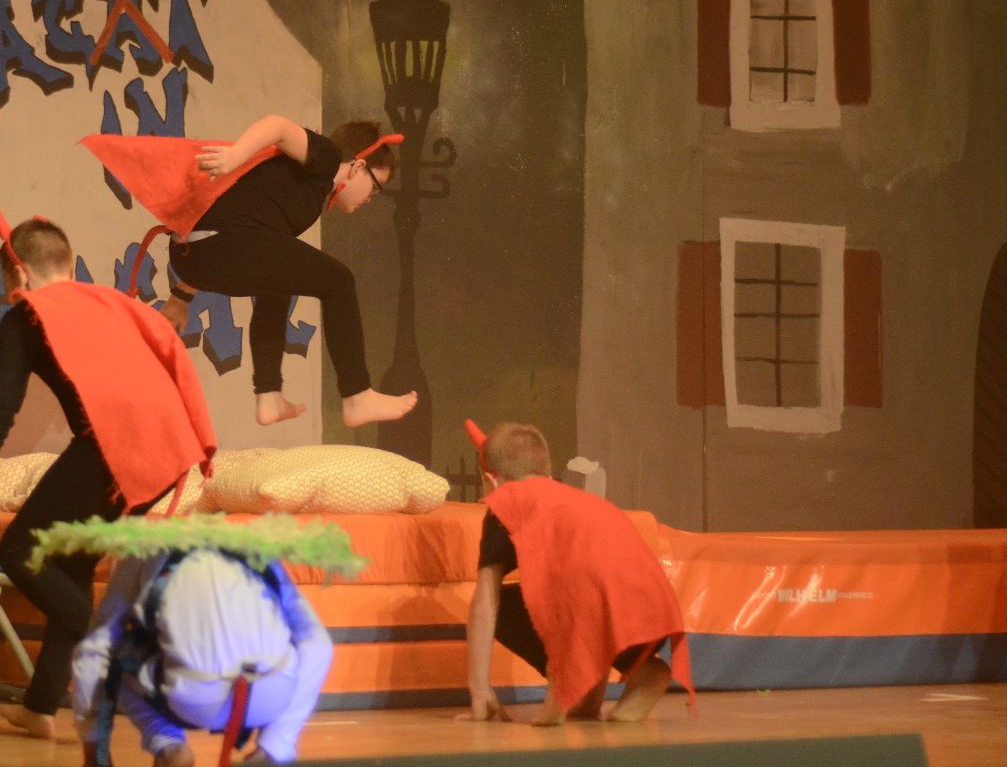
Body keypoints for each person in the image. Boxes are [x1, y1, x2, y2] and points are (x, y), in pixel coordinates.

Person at [0, 210, 219, 741]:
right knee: (70, 567)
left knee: (19, 550)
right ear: (68, 266)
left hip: (115, 447)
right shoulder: (109, 302)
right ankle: (41, 706)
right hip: (167, 446)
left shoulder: (28, 315)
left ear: (19, 276)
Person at [82, 114, 418, 428]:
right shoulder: (327, 156)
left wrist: (181, 298)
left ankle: (269, 396)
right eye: (376, 188)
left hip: (196, 255)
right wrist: (235, 155)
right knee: (339, 281)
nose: (370, 199)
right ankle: (357, 395)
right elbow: (278, 126)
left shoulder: (300, 186)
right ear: (358, 166)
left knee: (279, 285)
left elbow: (225, 220)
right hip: (221, 246)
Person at [30, 514, 356, 767]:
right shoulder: (257, 551)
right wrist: (279, 742)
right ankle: (269, 753)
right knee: (296, 644)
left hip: (194, 697)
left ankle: (169, 746)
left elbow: (94, 651)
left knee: (120, 653)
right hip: (272, 692)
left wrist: (94, 754)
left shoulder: (143, 551)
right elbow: (319, 647)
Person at [462, 421, 694, 726]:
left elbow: (485, 602)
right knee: (586, 593)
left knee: (504, 605)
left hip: (600, 608)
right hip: (652, 613)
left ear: (491, 482)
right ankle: (643, 671)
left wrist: (479, 690)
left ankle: (567, 676)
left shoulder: (506, 503)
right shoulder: (579, 500)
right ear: (547, 473)